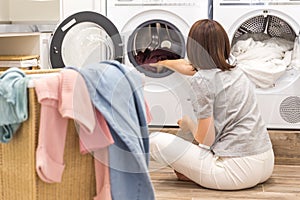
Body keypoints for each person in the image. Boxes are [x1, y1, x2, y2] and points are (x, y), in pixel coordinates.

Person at [149, 19, 274, 190]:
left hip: (236, 172)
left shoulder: (202, 81)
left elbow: (206, 139)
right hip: (266, 163)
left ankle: (198, 173)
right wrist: (163, 62)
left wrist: (188, 125)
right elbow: (190, 67)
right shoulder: (233, 65)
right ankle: (195, 172)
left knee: (155, 141)